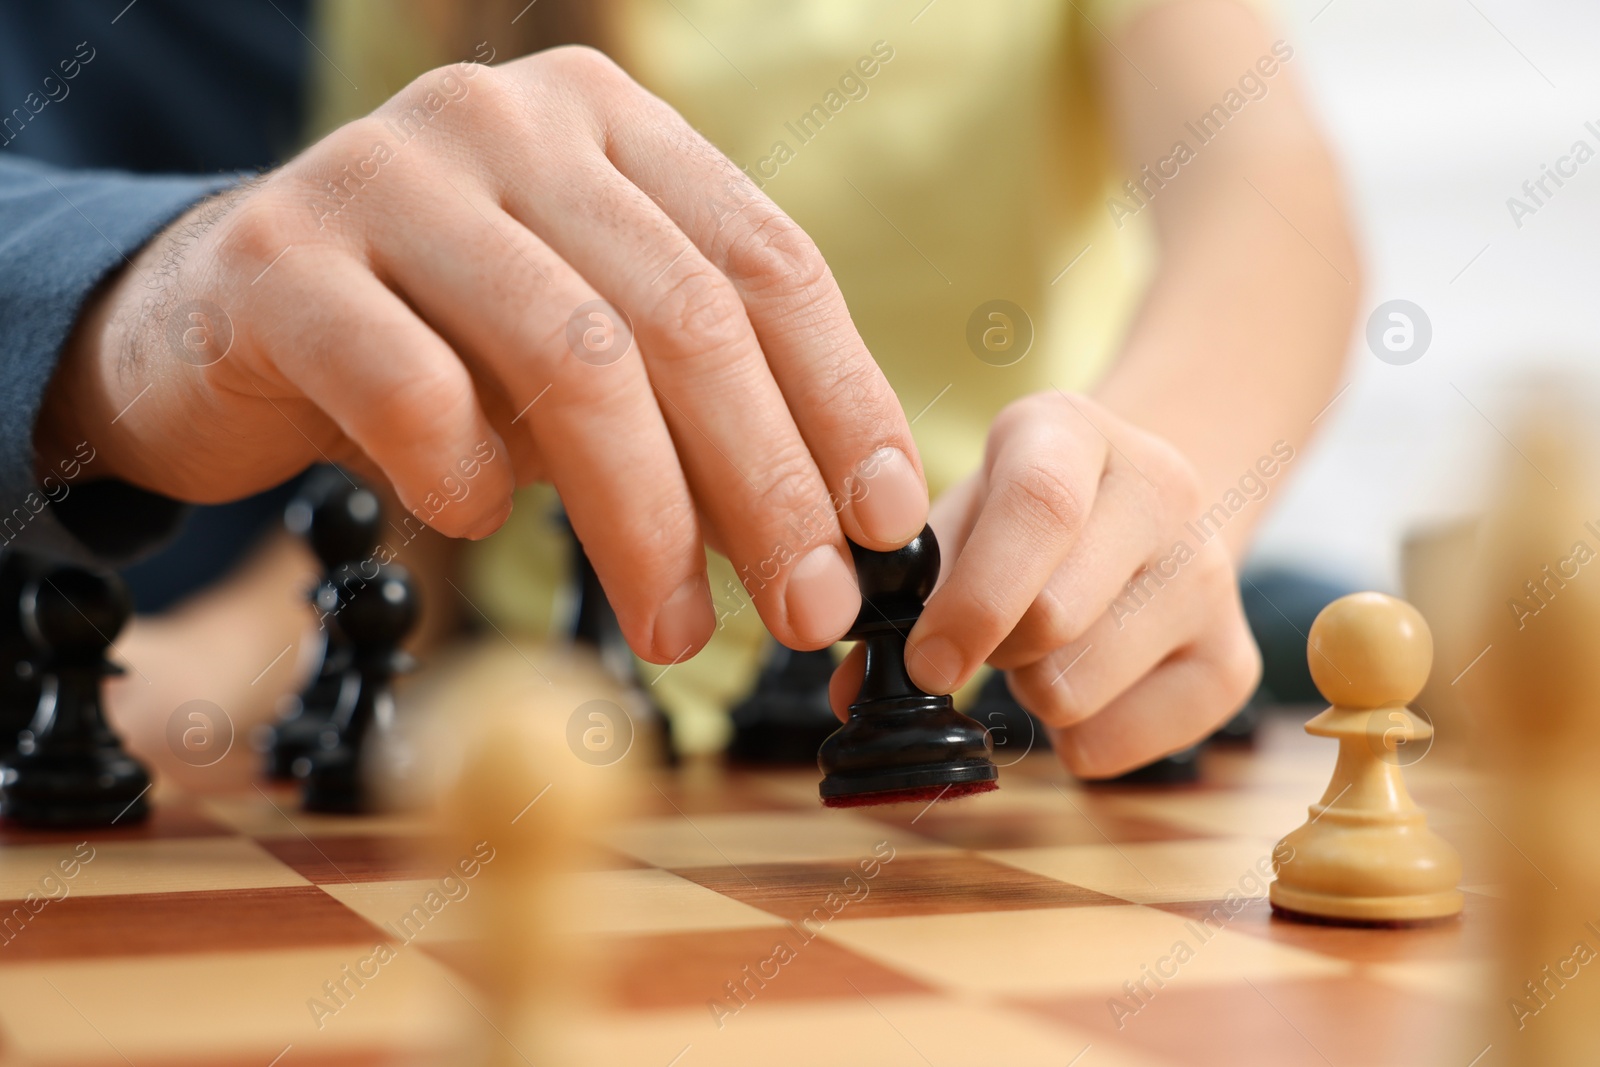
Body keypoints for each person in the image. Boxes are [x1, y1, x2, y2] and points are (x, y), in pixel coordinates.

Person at [2, 0, 1357, 778]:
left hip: (1027, 663)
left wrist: (1161, 463)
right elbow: (406, 466)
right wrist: (186, 678)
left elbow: (1270, 197)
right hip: (558, 734)